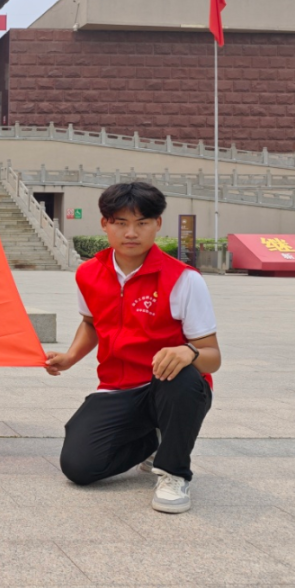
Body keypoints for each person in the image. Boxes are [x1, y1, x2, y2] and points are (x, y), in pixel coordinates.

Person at [45, 182, 220, 513]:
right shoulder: (88, 273)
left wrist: (190, 352)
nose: (131, 232)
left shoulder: (184, 279)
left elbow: (212, 358)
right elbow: (91, 323)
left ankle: (173, 472)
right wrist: (69, 357)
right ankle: (154, 440)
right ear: (104, 224)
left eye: (142, 223)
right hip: (116, 389)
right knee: (79, 468)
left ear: (157, 224)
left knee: (182, 374)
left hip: (168, 386)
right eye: (121, 222)